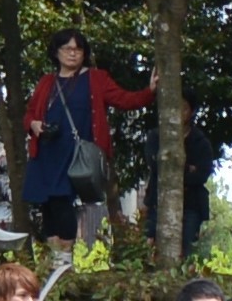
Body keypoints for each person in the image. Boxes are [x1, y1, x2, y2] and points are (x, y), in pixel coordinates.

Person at [20, 30, 152, 249]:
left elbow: (124, 99)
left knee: (62, 200)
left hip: (74, 155)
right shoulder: (46, 82)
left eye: (78, 49)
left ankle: (66, 256)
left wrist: (150, 91)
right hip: (45, 152)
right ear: (56, 52)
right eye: (67, 48)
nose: (73, 54)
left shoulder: (96, 79)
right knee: (47, 205)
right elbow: (30, 113)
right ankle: (55, 259)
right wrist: (33, 124)